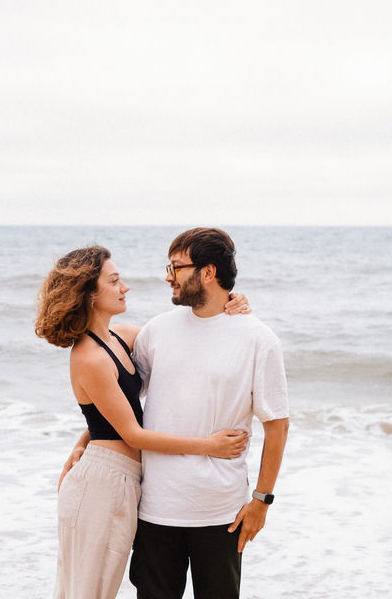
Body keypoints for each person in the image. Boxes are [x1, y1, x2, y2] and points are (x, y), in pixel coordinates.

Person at [35, 244, 252, 599]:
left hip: (124, 480)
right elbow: (133, 434)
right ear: (89, 294)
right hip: (102, 483)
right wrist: (208, 446)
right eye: (114, 281)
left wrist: (230, 302)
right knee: (86, 592)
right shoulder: (88, 357)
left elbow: (183, 339)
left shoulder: (122, 336)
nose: (125, 287)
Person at [128, 227, 289, 599]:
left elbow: (277, 425)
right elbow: (121, 397)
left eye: (176, 267)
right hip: (156, 506)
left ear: (208, 272)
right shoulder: (156, 330)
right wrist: (86, 438)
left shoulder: (258, 338)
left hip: (221, 512)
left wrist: (262, 501)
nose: (168, 276)